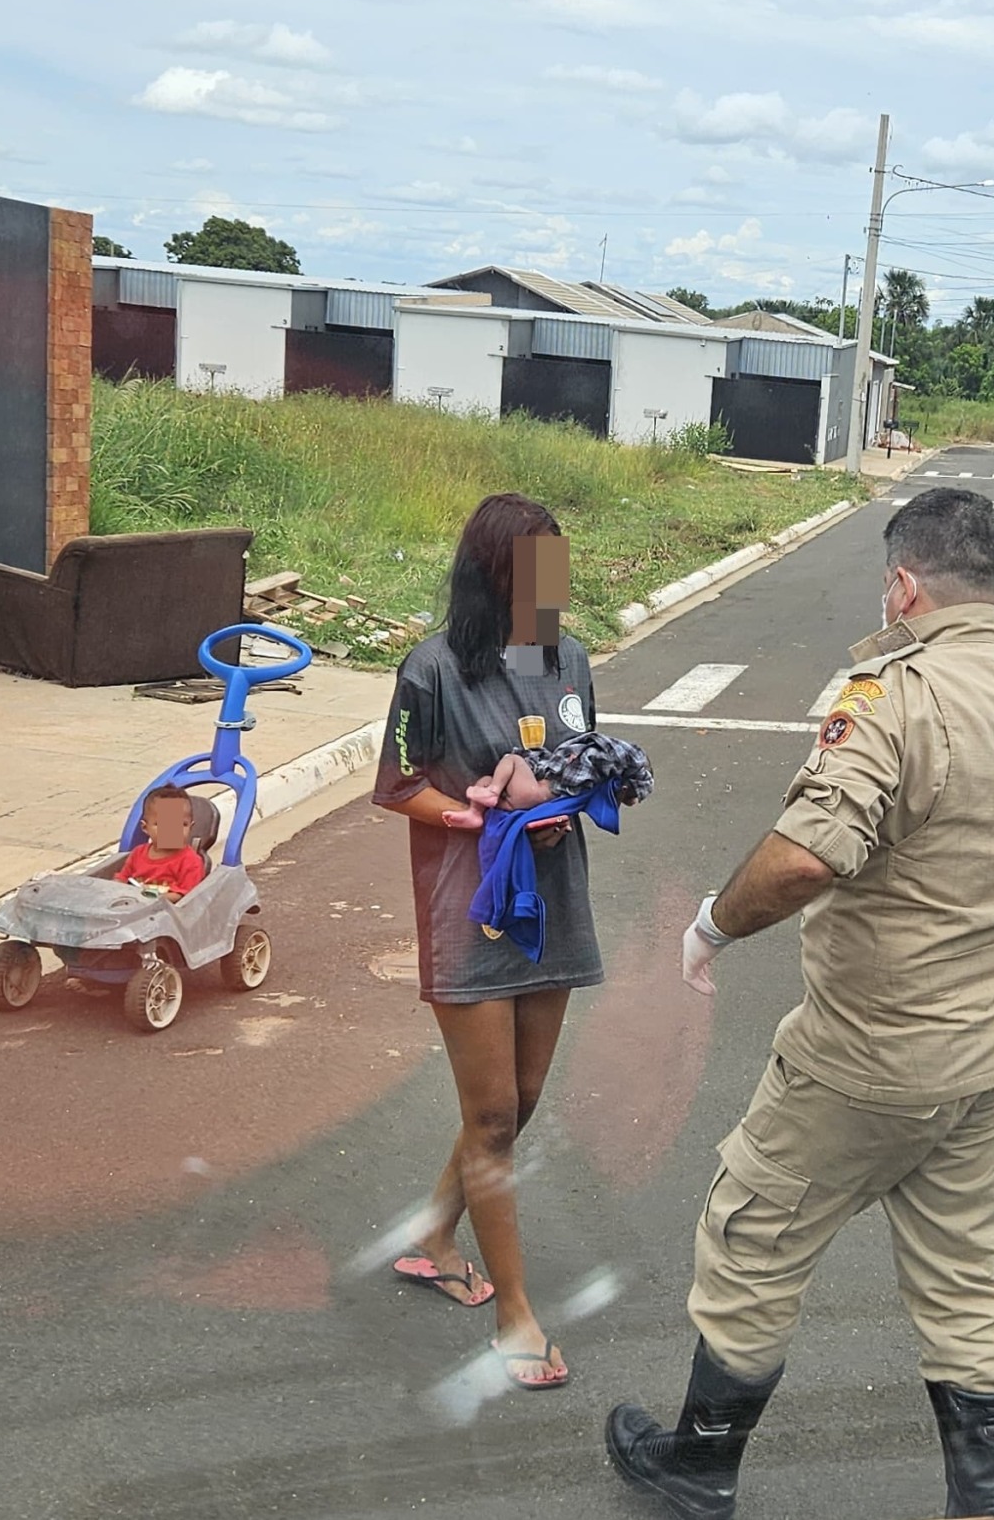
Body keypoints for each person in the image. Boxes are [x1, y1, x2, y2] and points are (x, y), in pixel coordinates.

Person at [606, 488, 994, 1520]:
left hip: (869, 1055)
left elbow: (800, 860)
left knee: (751, 1240)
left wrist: (707, 928)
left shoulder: (893, 694)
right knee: (965, 1282)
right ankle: (985, 1504)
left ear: (905, 584)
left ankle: (697, 1472)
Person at [372, 493, 600, 1391]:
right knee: (496, 1116)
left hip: (555, 901)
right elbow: (395, 787)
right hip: (469, 910)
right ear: (492, 573)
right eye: (536, 566)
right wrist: (474, 813)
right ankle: (515, 1314)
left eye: (559, 564)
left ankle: (433, 1235)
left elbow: (586, 759)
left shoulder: (571, 657)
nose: (554, 584)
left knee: (520, 1099)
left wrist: (564, 801)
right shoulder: (429, 670)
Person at [113, 785, 207, 899]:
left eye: (181, 824)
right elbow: (122, 878)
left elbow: (184, 897)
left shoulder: (191, 862)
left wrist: (150, 898)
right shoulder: (138, 853)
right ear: (145, 828)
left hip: (168, 913)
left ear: (191, 827)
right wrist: (116, 886)